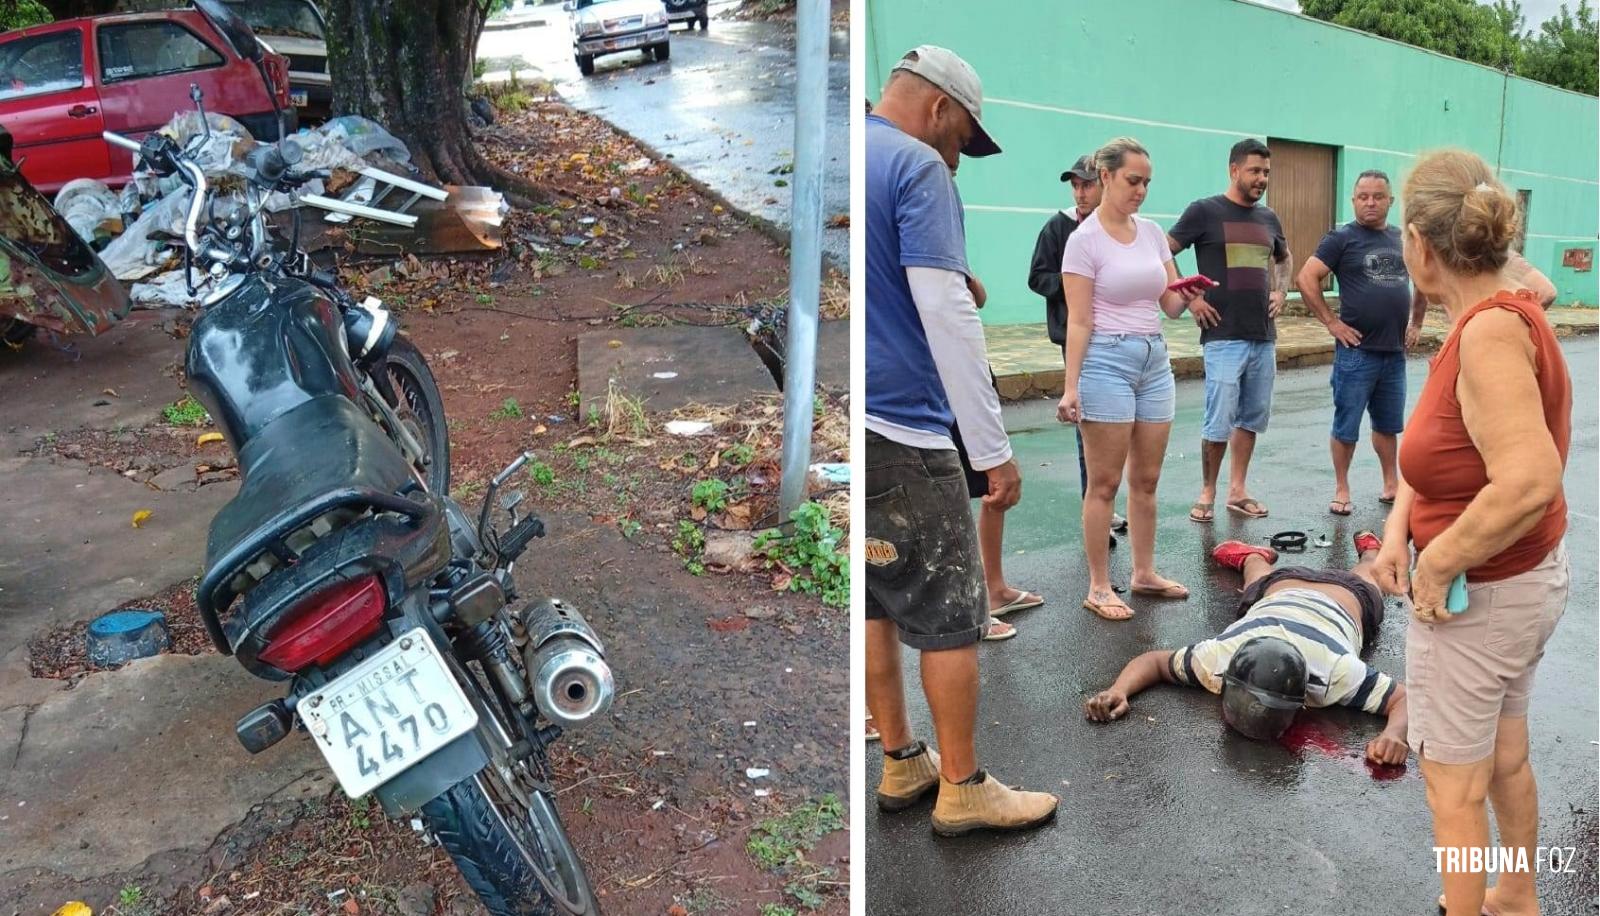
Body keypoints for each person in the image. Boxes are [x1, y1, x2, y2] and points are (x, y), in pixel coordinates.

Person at [1369, 150, 1571, 916]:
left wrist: (1435, 562)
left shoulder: (1486, 334)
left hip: (1479, 602)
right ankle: (1516, 896)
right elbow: (1445, 452)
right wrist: (1397, 535)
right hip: (1521, 589)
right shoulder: (1510, 304)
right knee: (1506, 758)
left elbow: (1526, 477)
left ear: (1420, 243)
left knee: (1453, 788)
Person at [864, 44, 1058, 836]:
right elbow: (948, 316)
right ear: (939, 109)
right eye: (962, 141)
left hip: (856, 421)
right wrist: (992, 451)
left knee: (877, 601)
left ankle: (900, 761)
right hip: (908, 431)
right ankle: (964, 784)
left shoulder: (857, 149)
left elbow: (899, 284)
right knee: (949, 613)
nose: (960, 160)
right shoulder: (919, 167)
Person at [1082, 533, 1409, 767]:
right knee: (1268, 584)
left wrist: (1396, 735)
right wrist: (1119, 689)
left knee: (1371, 578)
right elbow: (1152, 662)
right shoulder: (1221, 657)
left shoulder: (1334, 672)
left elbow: (1155, 661)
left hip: (1331, 593)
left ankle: (1365, 552)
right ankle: (1260, 556)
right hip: (1292, 589)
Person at [1057, 137, 1205, 621]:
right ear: (1105, 177)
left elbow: (1169, 305)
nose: (1140, 191)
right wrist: (1071, 385)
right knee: (1104, 482)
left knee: (1147, 479)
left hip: (1153, 359)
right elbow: (1079, 320)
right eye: (1132, 181)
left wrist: (1189, 291)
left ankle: (1144, 573)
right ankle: (1099, 585)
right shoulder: (1083, 242)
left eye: (1146, 183)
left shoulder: (1153, 234)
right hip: (1105, 360)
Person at [1168, 138, 1291, 523]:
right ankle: (1207, 491)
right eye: (1255, 171)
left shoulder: (1269, 218)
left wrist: (1281, 290)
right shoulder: (1204, 211)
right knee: (1218, 418)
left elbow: (1284, 260)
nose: (1262, 179)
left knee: (1251, 416)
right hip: (1222, 334)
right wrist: (1189, 298)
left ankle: (1238, 490)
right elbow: (1162, 250)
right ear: (1234, 169)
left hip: (1262, 334)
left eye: (1266, 172)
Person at [1295, 170, 1428, 516]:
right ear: (1353, 200)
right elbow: (1307, 277)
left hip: (1394, 354)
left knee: (1387, 425)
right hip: (1356, 354)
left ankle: (1391, 484)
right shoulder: (1341, 239)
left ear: (1390, 201)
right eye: (1363, 196)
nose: (1371, 202)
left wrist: (1416, 323)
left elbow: (1424, 281)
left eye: (1378, 196)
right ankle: (1342, 488)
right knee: (1347, 424)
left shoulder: (1402, 239)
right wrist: (1331, 322)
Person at [1027, 154, 1125, 546]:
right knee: (1090, 425)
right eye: (1076, 185)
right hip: (1076, 336)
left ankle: (1107, 502)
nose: (1081, 192)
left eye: (1087, 184)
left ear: (1103, 184)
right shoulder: (1059, 226)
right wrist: (1075, 285)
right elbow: (1037, 277)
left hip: (1117, 336)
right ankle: (1095, 506)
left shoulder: (1116, 227)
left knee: (1115, 427)